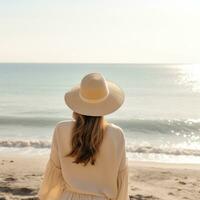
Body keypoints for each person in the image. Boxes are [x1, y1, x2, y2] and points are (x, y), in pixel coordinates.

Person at [38, 72, 129, 200]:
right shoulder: (116, 134)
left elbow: (54, 174)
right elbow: (121, 178)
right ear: (106, 103)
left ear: (78, 103)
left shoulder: (61, 129)